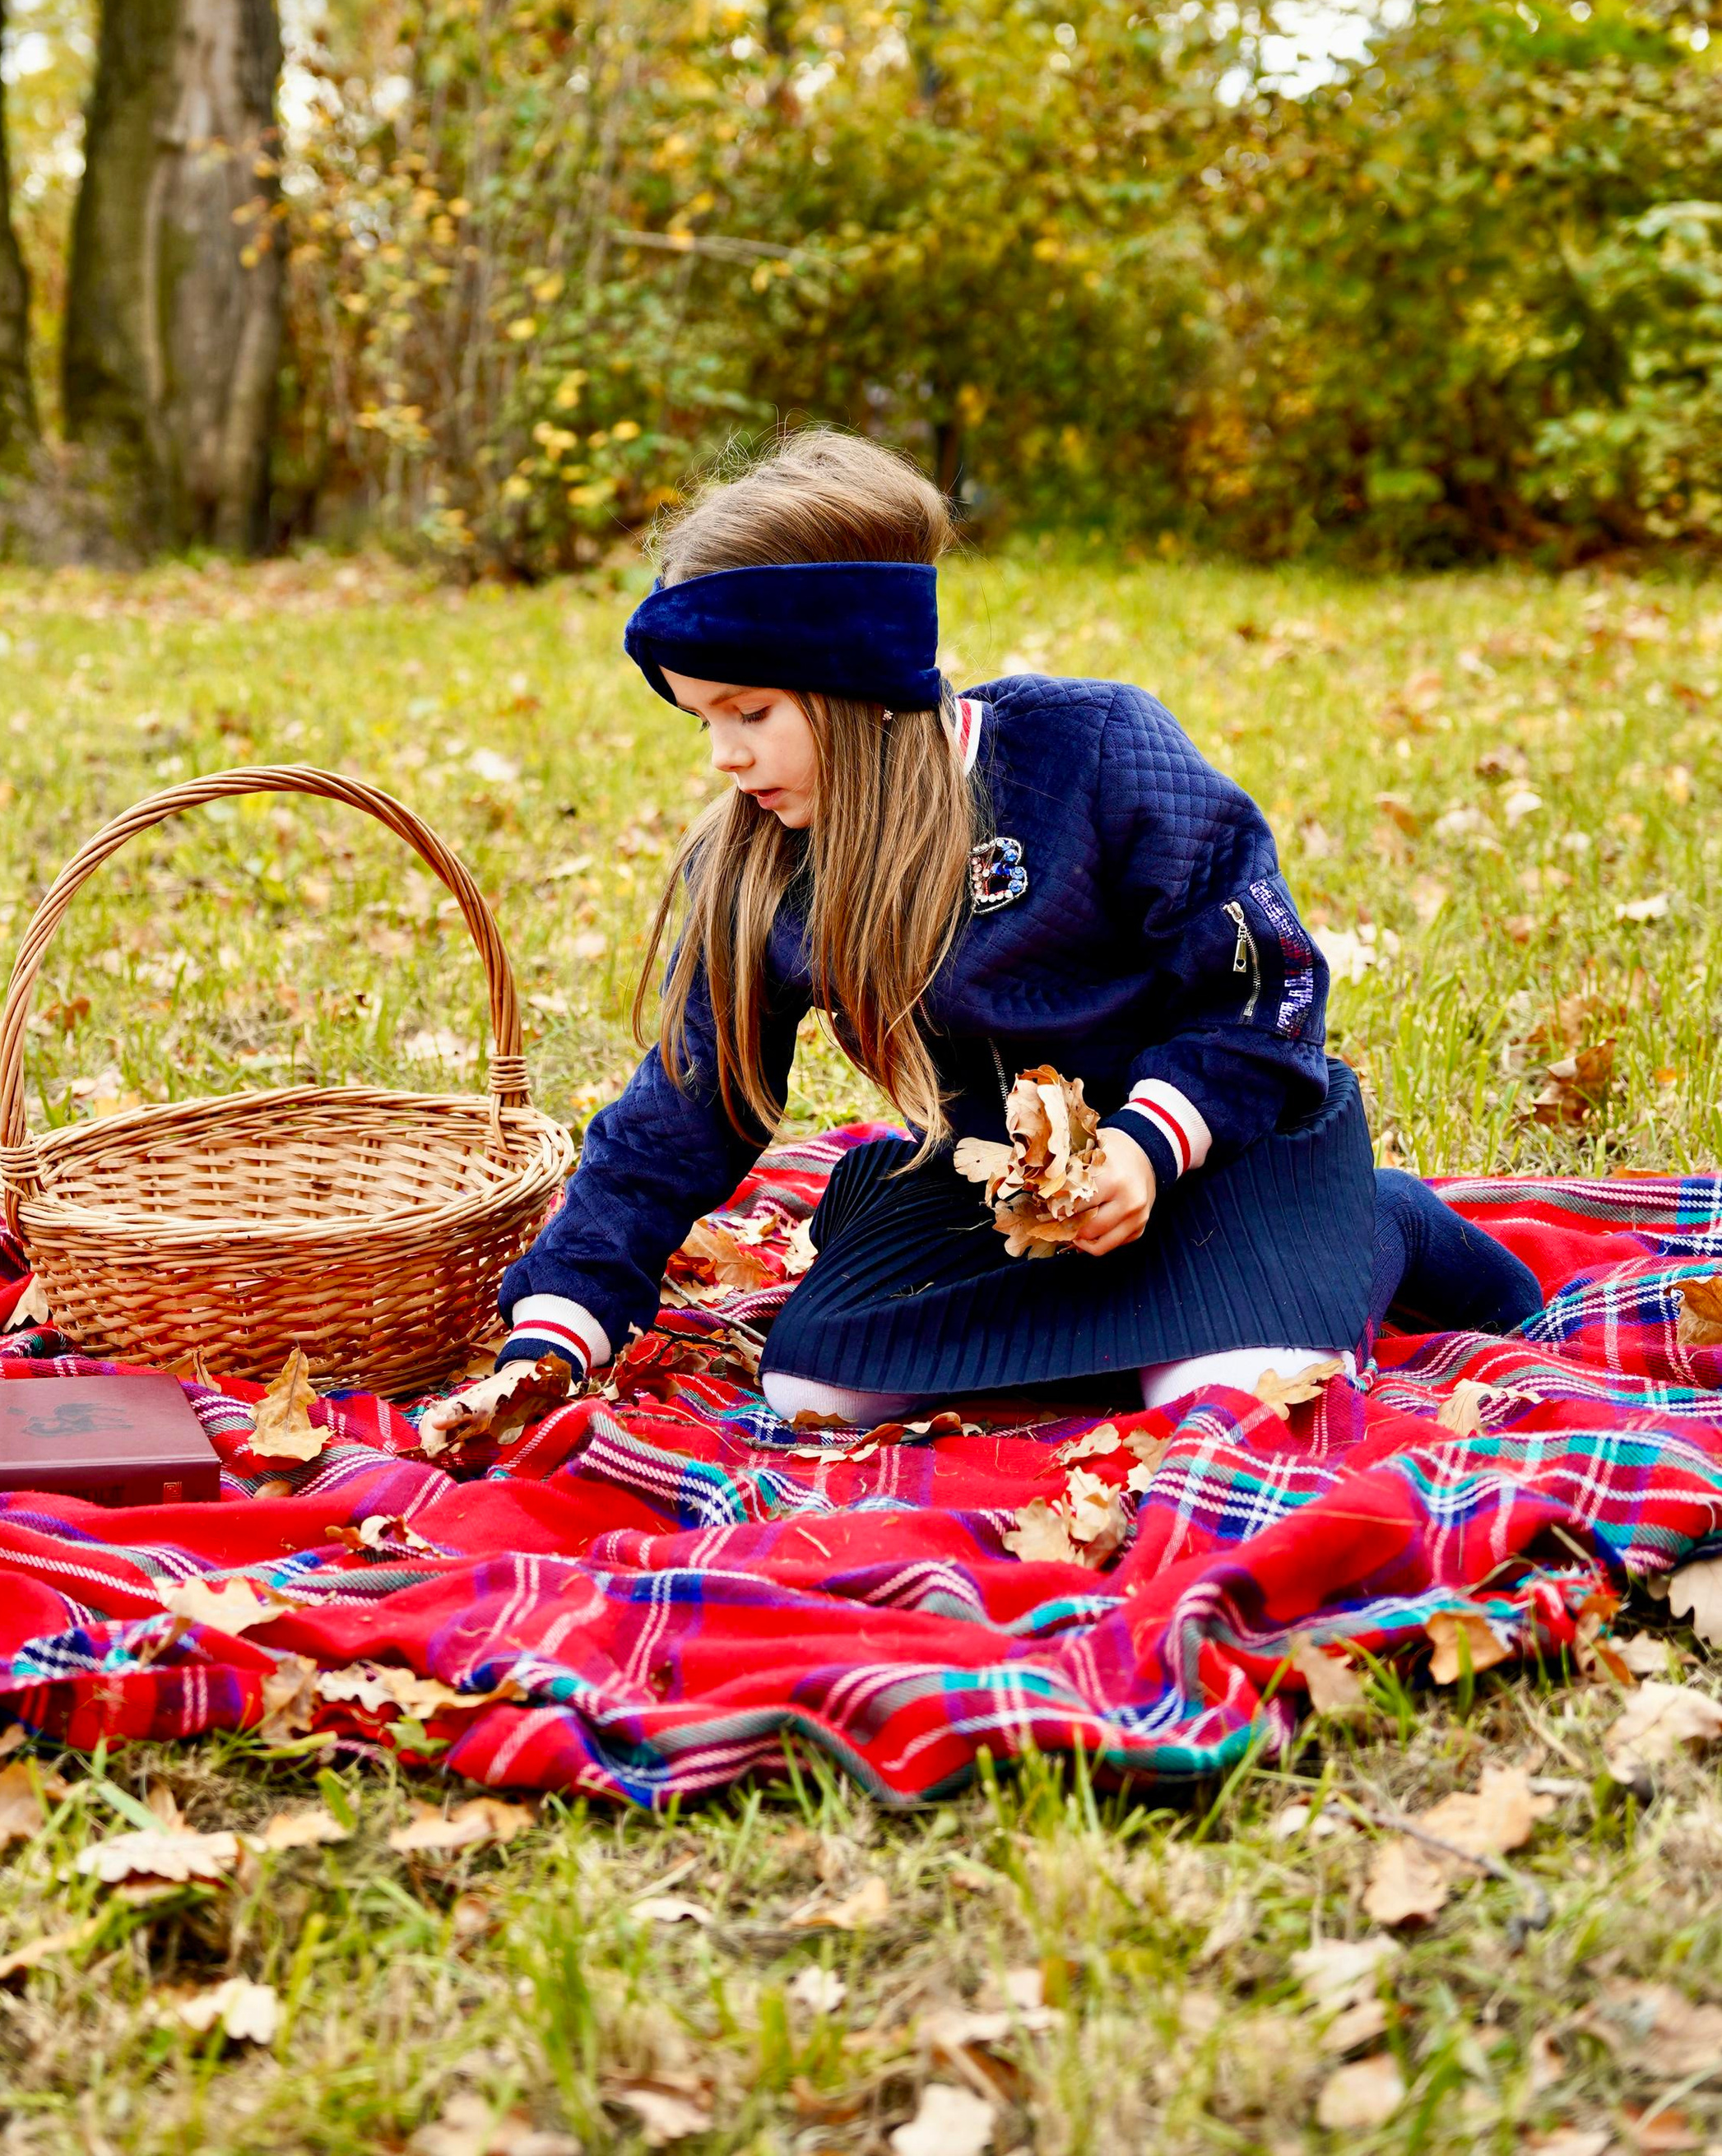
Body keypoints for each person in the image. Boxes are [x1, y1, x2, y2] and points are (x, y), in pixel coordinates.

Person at [420, 429, 1542, 1461]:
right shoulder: (761, 863)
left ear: (859, 678)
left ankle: (1371, 1222)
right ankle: (1144, 1310)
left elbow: (1261, 984)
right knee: (812, 1390)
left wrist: (1145, 1150)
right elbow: (683, 1108)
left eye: (750, 712)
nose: (725, 755)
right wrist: (554, 1334)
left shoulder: (1094, 751)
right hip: (1003, 1193)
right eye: (703, 717)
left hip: (1220, 1147)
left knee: (1237, 1405)